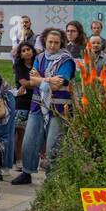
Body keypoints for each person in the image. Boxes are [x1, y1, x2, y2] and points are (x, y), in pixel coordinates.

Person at [12, 28, 76, 186]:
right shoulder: (39, 57)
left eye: (56, 42)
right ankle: (27, 173)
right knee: (30, 140)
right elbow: (31, 81)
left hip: (59, 108)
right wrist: (47, 79)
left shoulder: (67, 60)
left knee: (53, 143)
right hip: (38, 105)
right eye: (50, 42)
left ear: (61, 42)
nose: (53, 45)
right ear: (45, 42)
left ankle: (52, 176)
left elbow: (58, 83)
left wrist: (40, 79)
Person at [12, 42, 37, 169]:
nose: (26, 52)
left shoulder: (38, 64)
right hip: (22, 102)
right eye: (23, 50)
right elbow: (24, 82)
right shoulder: (19, 66)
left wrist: (29, 83)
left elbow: (29, 83)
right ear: (20, 54)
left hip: (37, 101)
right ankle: (19, 160)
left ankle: (38, 159)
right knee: (20, 132)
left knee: (35, 132)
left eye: (29, 49)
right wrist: (37, 82)